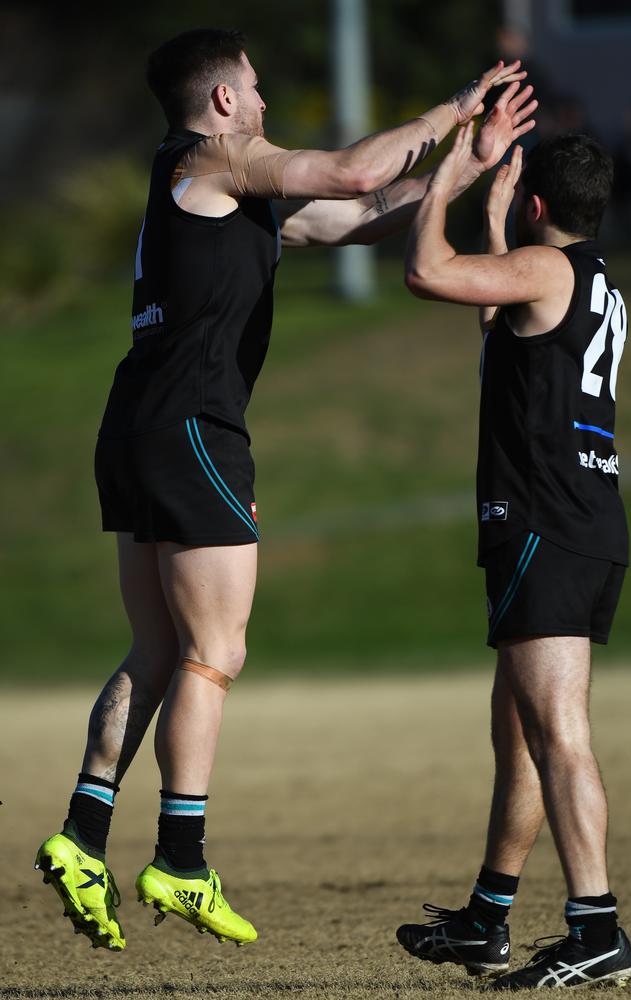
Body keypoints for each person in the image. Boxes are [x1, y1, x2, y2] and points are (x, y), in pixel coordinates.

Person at [34, 28, 535, 952]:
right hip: (194, 426)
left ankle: (82, 835)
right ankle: (182, 858)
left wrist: (466, 166)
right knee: (213, 652)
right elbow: (349, 173)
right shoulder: (219, 155)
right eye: (257, 91)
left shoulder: (205, 185)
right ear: (223, 100)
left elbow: (351, 214)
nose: (266, 105)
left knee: (155, 646)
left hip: (138, 423)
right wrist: (452, 107)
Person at [395, 129, 631, 989]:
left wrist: (446, 188)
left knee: (557, 734)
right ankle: (487, 919)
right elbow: (505, 328)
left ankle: (597, 925)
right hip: (577, 524)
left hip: (547, 523)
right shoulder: (586, 280)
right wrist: (497, 220)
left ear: (541, 207)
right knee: (523, 734)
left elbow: (429, 274)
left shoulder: (549, 270)